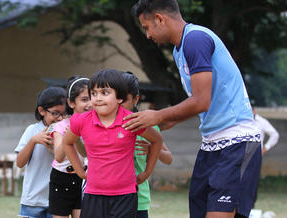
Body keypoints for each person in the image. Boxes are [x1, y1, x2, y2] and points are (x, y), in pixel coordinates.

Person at [125, 1, 262, 217]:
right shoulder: (180, 50)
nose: (148, 35)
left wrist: (158, 115)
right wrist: (173, 119)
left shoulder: (195, 39)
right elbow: (205, 100)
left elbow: (201, 101)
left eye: (146, 27)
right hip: (211, 143)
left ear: (160, 19)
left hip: (237, 140)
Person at [63, 69, 163, 218]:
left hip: (125, 196)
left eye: (104, 93)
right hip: (93, 194)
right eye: (94, 93)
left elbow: (157, 140)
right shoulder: (81, 120)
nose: (98, 98)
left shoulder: (132, 121)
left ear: (119, 98)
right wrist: (80, 171)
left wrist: (146, 172)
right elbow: (67, 143)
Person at [122, 71, 173, 218]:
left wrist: (152, 150)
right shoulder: (107, 124)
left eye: (123, 99)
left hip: (139, 199)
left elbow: (168, 159)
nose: (118, 103)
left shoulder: (148, 126)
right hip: (112, 197)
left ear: (135, 99)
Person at [15, 87, 67, 218]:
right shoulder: (32, 130)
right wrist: (33, 141)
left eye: (64, 113)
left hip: (57, 201)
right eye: (55, 113)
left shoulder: (68, 131)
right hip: (32, 201)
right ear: (42, 111)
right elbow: (20, 163)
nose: (60, 118)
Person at [49, 76, 92, 218]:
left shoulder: (93, 126)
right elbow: (59, 157)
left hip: (83, 178)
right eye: (84, 99)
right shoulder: (60, 126)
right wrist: (70, 136)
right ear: (71, 102)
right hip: (61, 179)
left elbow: (85, 154)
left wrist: (75, 139)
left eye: (92, 98)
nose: (90, 104)